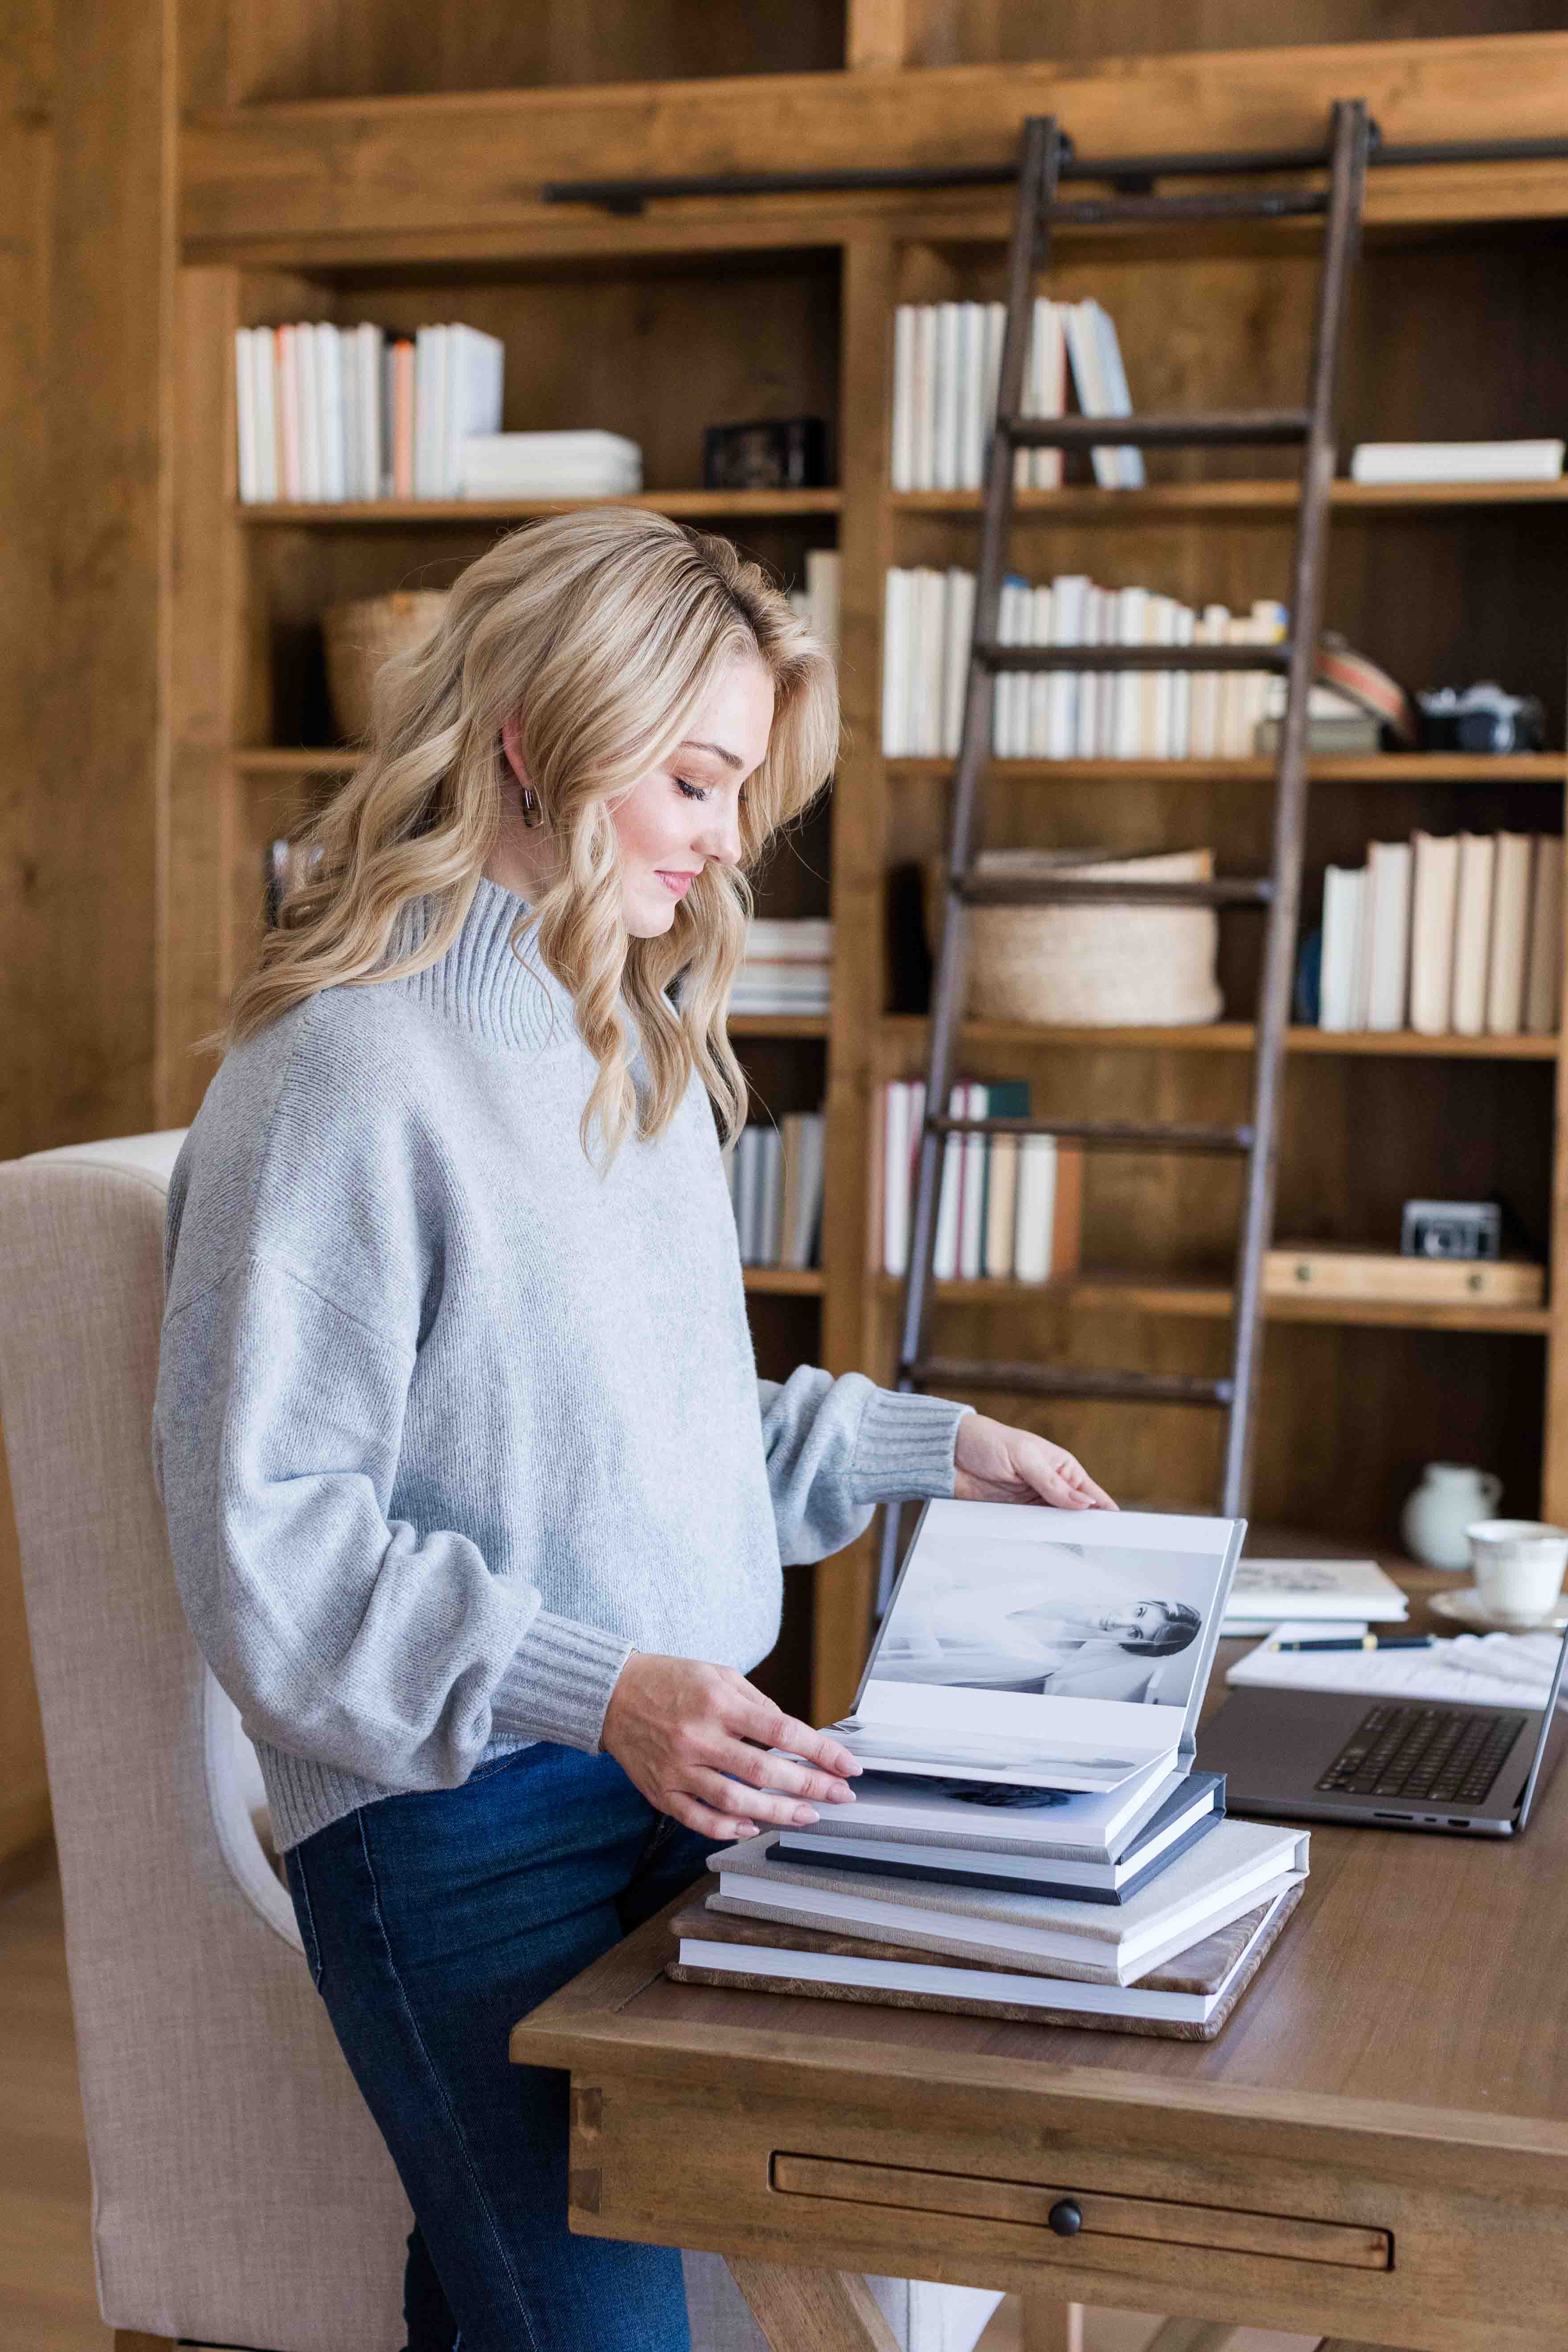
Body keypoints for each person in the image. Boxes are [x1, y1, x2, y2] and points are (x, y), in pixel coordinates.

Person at [151, 508, 1114, 2352]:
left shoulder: (624, 1041)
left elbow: (630, 1443)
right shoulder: (345, 1071)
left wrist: (933, 1446)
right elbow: (267, 1543)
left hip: (682, 1784)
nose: (728, 838)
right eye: (693, 779)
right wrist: (602, 1692)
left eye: (744, 789)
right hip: (458, 1829)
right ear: (534, 733)